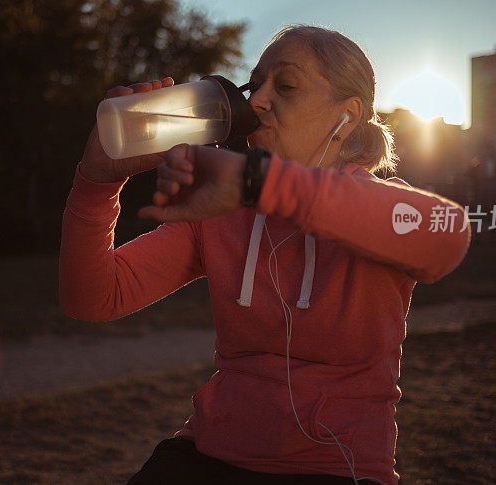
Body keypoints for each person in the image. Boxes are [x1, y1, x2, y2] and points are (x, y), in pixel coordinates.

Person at [59, 25, 472, 484]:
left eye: (287, 86)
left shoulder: (378, 209)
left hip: (336, 466)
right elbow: (94, 298)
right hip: (207, 453)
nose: (257, 101)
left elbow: (449, 235)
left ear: (348, 115)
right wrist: (96, 183)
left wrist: (260, 183)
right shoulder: (220, 213)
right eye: (255, 86)